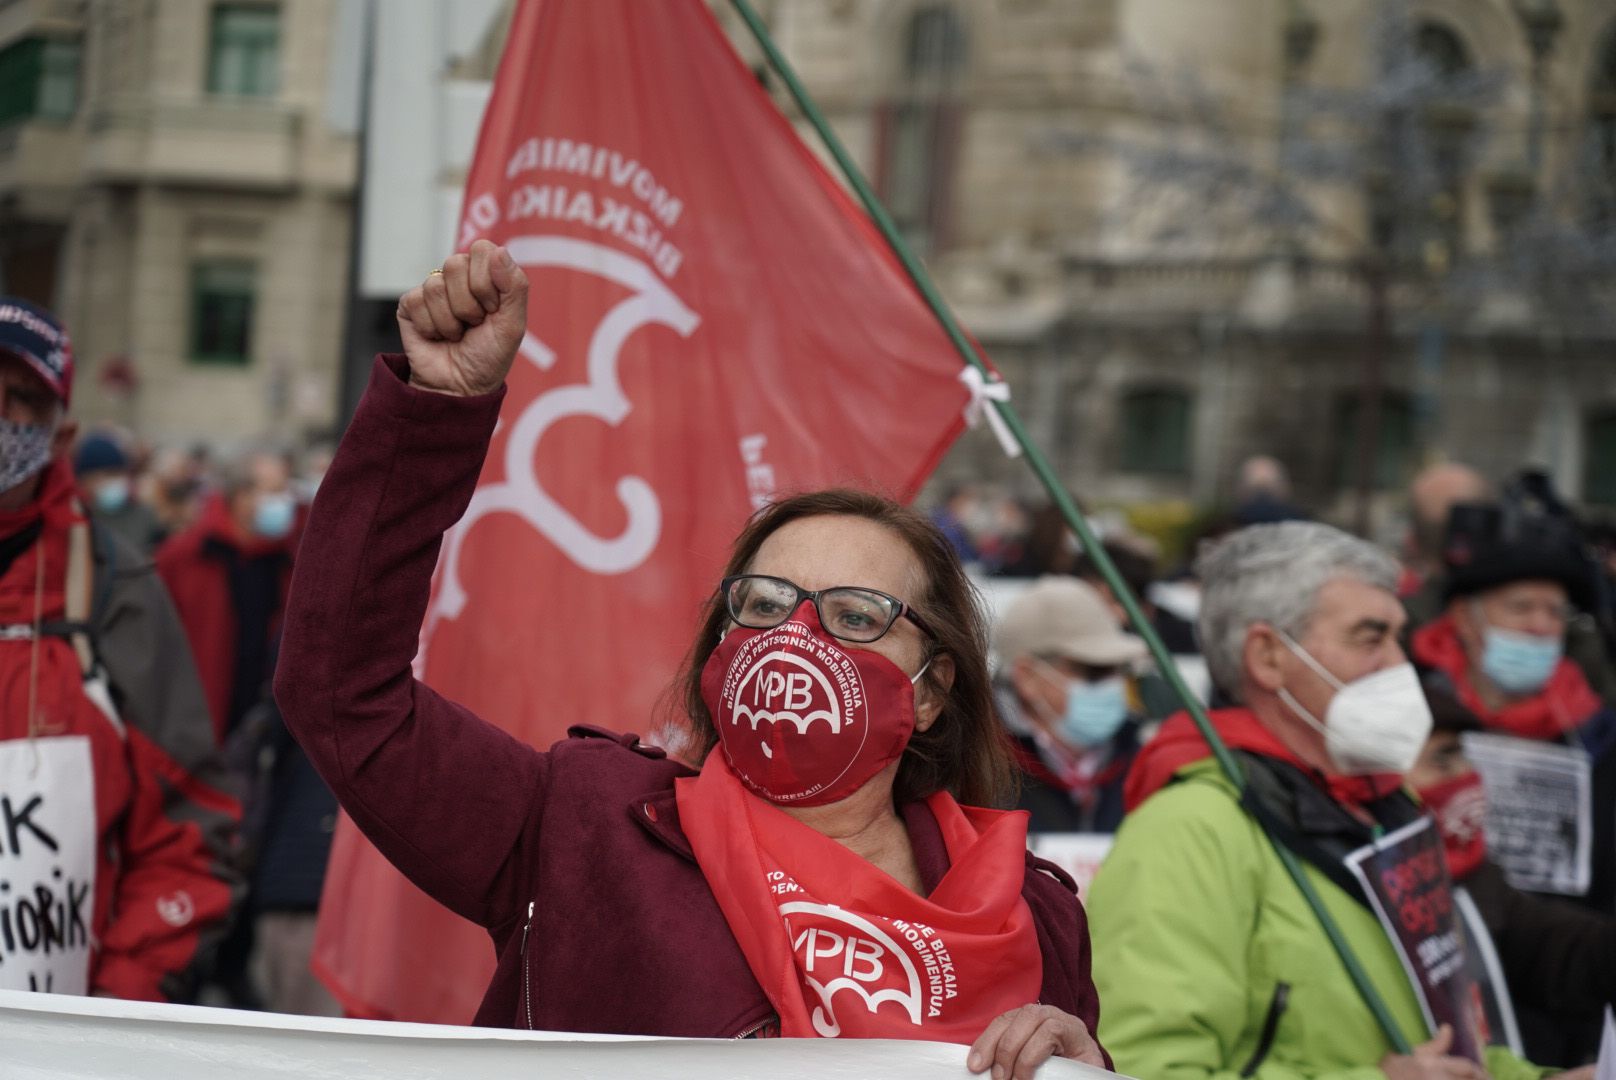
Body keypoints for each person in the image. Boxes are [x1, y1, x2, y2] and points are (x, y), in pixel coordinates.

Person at [274, 242, 1108, 1076]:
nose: (797, 640)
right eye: (767, 604)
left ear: (932, 691)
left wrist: (1085, 1069)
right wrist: (434, 414)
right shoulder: (580, 825)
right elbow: (341, 690)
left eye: (855, 616)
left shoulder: (1032, 920)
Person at [1086, 521, 1553, 1079]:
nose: (1400, 666)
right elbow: (1145, 1069)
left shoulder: (1387, 803)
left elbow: (1447, 1047)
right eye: (1369, 637)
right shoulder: (1189, 830)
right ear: (1268, 657)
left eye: (1398, 637)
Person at [0, 295, 241, 1001]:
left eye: (21, 399)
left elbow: (189, 839)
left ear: (59, 433)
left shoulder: (117, 590)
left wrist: (113, 1017)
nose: (0, 414)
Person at [1408, 524, 1616, 911]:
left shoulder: (1596, 732)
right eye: (1521, 607)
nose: (1541, 626)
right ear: (1466, 620)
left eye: (1555, 611)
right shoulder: (1412, 713)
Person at [1411, 680, 1615, 1070]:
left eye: (1466, 758)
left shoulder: (1470, 873)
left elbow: (1555, 949)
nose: (1466, 775)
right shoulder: (1376, 883)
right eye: (1442, 760)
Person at [157, 450, 299, 743]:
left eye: (285, 489)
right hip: (196, 730)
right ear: (241, 496)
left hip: (266, 733)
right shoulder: (183, 557)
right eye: (273, 491)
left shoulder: (289, 559)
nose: (285, 501)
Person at [994, 576, 1149, 832]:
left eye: (1119, 669)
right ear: (1027, 678)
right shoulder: (976, 769)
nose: (1113, 685)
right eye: (1092, 671)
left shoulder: (1142, 759)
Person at [74, 431, 163, 554]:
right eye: (102, 476)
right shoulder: (76, 520)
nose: (112, 481)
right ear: (84, 481)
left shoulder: (144, 516)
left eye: (116, 473)